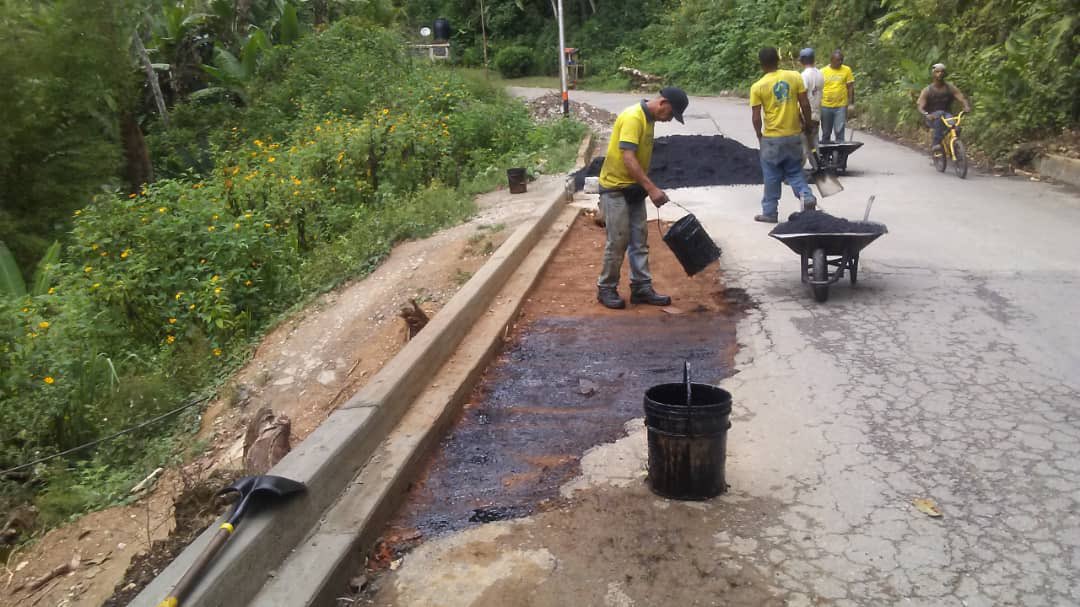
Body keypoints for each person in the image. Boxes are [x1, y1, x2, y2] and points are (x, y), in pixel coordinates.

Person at [596, 87, 689, 310]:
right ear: (663, 103)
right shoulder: (633, 117)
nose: (669, 119)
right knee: (618, 240)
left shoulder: (649, 119)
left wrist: (643, 186)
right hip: (615, 188)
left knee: (639, 240)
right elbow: (628, 158)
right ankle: (606, 288)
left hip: (634, 188)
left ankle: (641, 288)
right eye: (671, 114)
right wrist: (652, 189)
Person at [750, 47, 816, 224]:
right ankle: (807, 196)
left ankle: (770, 212)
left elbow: (756, 117)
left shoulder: (758, 86)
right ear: (778, 60)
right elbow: (805, 104)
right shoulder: (794, 76)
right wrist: (808, 124)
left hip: (772, 138)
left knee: (771, 175)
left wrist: (759, 135)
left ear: (761, 64)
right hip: (793, 135)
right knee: (794, 171)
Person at [917, 63, 972, 153]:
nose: (940, 74)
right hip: (932, 117)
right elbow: (920, 107)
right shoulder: (927, 90)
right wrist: (926, 114)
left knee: (955, 127)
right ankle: (936, 144)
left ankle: (955, 145)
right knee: (939, 115)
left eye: (942, 72)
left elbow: (961, 98)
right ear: (933, 74)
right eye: (937, 72)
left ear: (945, 74)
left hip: (947, 116)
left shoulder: (950, 88)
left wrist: (966, 106)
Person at [819, 49, 855, 143]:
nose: (840, 62)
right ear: (832, 60)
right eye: (838, 60)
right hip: (825, 105)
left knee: (839, 131)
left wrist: (851, 104)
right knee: (826, 132)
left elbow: (850, 87)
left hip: (841, 106)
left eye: (841, 60)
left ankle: (840, 150)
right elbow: (818, 89)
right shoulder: (822, 71)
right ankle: (826, 150)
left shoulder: (846, 70)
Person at [799, 48, 824, 129]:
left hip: (806, 116)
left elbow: (803, 98)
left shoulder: (804, 75)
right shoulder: (820, 73)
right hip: (816, 115)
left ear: (802, 61)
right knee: (814, 136)